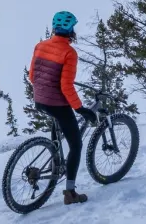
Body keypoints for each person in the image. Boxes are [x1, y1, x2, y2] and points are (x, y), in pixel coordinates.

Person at [29, 11, 98, 204]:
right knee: (76, 145)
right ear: (70, 31)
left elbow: (32, 75)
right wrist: (81, 109)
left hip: (40, 99)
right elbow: (66, 86)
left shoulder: (40, 45)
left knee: (59, 135)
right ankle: (70, 193)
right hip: (56, 103)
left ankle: (55, 162)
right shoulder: (69, 53)